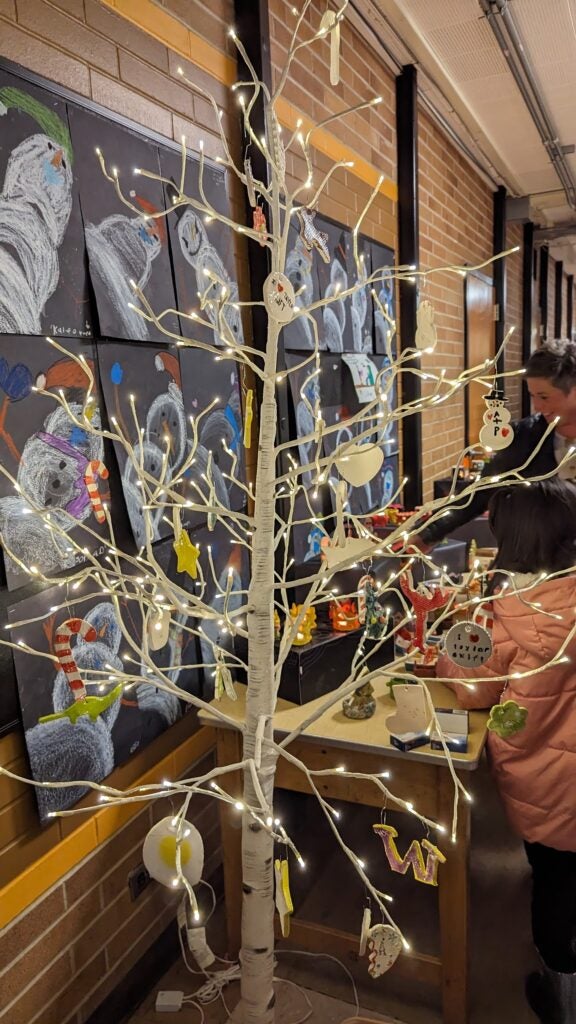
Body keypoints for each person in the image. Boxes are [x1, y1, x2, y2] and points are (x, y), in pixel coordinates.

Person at [436, 478, 576, 1024]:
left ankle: (560, 994)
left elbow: (474, 687)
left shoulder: (514, 609)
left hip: (545, 777)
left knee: (554, 884)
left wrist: (454, 642)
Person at [416, 339, 576, 549]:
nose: (537, 406)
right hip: (540, 565)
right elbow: (477, 494)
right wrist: (427, 534)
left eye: (544, 396)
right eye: (533, 396)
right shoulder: (524, 438)